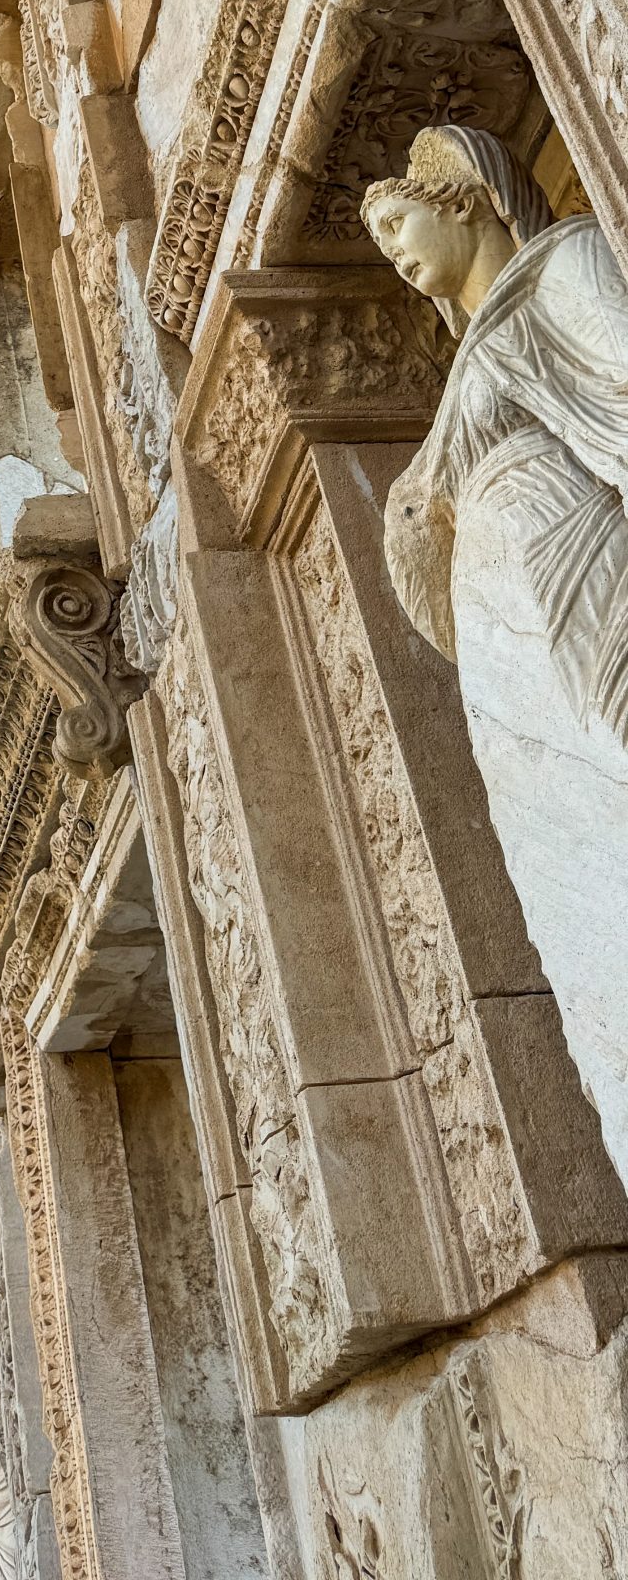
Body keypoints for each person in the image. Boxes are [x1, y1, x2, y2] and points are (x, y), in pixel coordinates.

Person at [363, 124, 628, 1185]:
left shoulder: (560, 263)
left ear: (461, 197)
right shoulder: (465, 361)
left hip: (579, 557)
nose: (392, 252)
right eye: (377, 242)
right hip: (511, 635)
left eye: (397, 223)